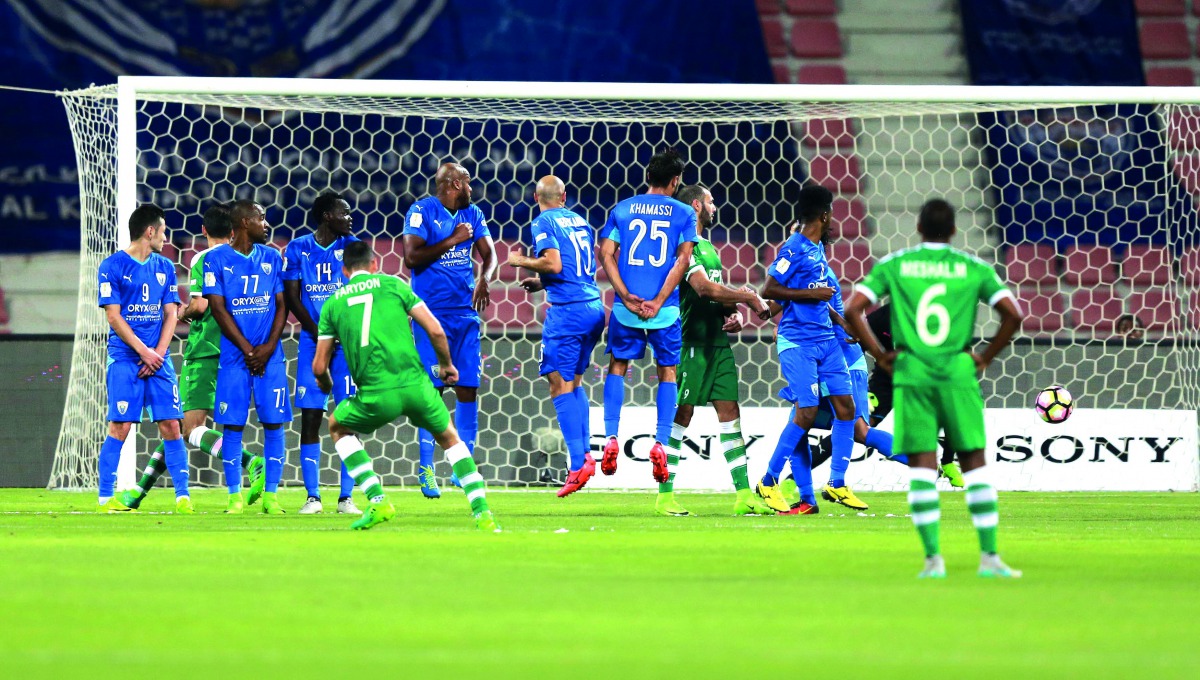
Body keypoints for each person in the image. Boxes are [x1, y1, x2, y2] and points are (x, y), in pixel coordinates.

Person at [845, 198, 1024, 579]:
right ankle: (990, 558)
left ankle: (933, 561)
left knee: (923, 467)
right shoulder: (972, 267)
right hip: (957, 371)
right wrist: (986, 355)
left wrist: (881, 354)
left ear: (920, 229)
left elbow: (852, 308)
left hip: (912, 372)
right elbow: (1013, 314)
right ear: (955, 231)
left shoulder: (896, 265)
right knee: (974, 464)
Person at [313, 241, 499, 531]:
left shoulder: (333, 304)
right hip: (415, 385)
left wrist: (325, 384)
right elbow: (436, 329)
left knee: (337, 425)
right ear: (374, 264)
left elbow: (319, 367)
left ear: (344, 271)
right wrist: (447, 365)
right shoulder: (394, 285)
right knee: (451, 438)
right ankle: (482, 513)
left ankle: (377, 500)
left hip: (375, 393)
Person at [119, 203, 266, 510]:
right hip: (236, 354)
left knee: (186, 427)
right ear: (233, 229)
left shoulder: (205, 258)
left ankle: (252, 462)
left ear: (203, 231)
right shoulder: (246, 259)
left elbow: (200, 306)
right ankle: (138, 492)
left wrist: (178, 313)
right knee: (177, 425)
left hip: (205, 353)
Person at [659, 183, 774, 516]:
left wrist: (732, 314)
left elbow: (714, 296)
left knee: (731, 414)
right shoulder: (685, 245)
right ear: (696, 205)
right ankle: (665, 496)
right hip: (690, 343)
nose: (715, 206)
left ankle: (743, 497)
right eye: (710, 202)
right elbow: (702, 288)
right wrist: (748, 297)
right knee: (682, 415)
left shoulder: (708, 246)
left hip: (717, 344)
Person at [598, 147, 698, 491]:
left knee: (617, 366)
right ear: (675, 181)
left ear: (647, 178)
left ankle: (610, 437)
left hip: (627, 308)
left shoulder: (622, 209)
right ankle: (659, 443)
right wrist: (657, 301)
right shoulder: (685, 213)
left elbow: (606, 253)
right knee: (667, 371)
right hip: (664, 310)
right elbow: (682, 261)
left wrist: (624, 294)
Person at [756, 185, 858, 516]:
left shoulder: (816, 249)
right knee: (807, 412)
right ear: (824, 215)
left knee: (846, 407)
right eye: (831, 216)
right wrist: (809, 296)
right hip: (798, 342)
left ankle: (837, 482)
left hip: (827, 340)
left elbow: (818, 294)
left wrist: (842, 322)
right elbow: (770, 289)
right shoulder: (794, 249)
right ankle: (769, 480)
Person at [402, 162, 498, 498]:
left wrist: (484, 279)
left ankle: (463, 468)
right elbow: (411, 258)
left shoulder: (474, 214)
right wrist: (453, 240)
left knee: (469, 388)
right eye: (469, 182)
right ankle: (426, 469)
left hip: (465, 314)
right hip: (430, 315)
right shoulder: (421, 211)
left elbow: (490, 255)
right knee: (433, 392)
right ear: (455, 183)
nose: (473, 188)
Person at [507, 175, 605, 497]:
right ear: (564, 195)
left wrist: (522, 261)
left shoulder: (542, 221)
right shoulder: (579, 220)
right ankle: (585, 456)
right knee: (574, 383)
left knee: (556, 383)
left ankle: (578, 463)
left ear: (536, 197)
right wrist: (543, 283)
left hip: (569, 313)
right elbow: (574, 268)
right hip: (593, 306)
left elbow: (553, 262)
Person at [96, 204, 190, 513]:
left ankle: (183, 498)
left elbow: (171, 313)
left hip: (157, 361)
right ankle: (105, 498)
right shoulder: (111, 266)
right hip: (125, 360)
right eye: (163, 231)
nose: (166, 237)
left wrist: (159, 354)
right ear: (150, 231)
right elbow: (113, 317)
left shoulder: (164, 266)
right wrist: (143, 351)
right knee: (120, 427)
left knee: (172, 426)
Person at [203, 200, 292, 515]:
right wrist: (247, 349)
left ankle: (271, 497)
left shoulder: (272, 257)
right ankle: (234, 498)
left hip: (270, 357)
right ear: (243, 222)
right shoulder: (216, 260)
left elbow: (282, 305)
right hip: (234, 359)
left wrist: (268, 347)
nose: (266, 224)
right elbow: (218, 308)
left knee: (274, 424)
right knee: (232, 426)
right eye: (261, 218)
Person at [283, 190, 362, 515]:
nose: (350, 217)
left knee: (349, 417)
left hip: (348, 347)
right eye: (344, 212)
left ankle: (346, 498)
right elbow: (292, 297)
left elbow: (362, 293)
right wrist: (320, 333)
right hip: (312, 343)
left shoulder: (354, 248)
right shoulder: (298, 248)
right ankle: (313, 497)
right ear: (328, 216)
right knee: (311, 418)